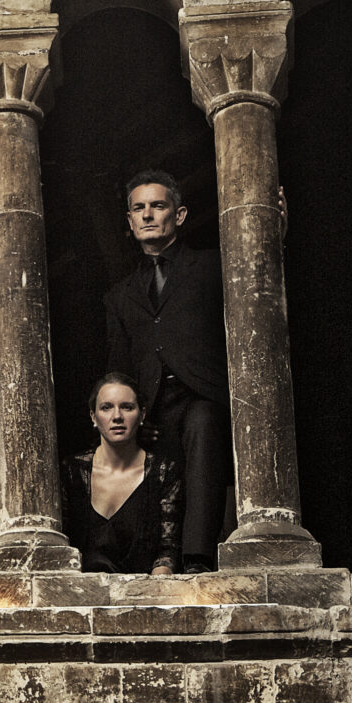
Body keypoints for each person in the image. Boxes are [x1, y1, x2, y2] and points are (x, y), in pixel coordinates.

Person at [101, 171, 228, 571]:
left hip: (203, 394)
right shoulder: (120, 294)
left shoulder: (211, 266)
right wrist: (132, 416)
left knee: (203, 425)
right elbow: (119, 366)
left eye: (158, 205)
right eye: (139, 208)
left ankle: (196, 559)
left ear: (181, 214)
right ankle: (151, 557)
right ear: (129, 221)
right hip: (152, 407)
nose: (148, 215)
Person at [60, 373, 183, 575]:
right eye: (106, 407)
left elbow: (168, 549)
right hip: (81, 595)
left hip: (143, 594)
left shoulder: (164, 472)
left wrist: (156, 591)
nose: (117, 416)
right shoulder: (72, 471)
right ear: (93, 416)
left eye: (127, 407)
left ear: (142, 414)